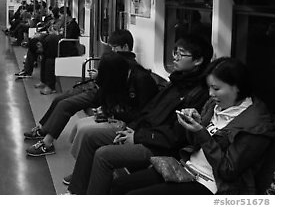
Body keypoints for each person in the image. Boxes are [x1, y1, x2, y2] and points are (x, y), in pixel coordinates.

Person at [67, 34, 213, 194]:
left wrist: (137, 137)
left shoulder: (198, 94)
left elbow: (175, 136)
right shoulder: (176, 82)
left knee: (103, 155)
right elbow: (148, 110)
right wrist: (131, 129)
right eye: (175, 53)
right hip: (144, 133)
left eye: (181, 54)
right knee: (90, 138)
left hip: (158, 146)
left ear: (198, 60)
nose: (176, 58)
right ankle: (76, 192)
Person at [111, 58, 274, 195]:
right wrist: (194, 124)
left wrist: (202, 132)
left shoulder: (256, 126)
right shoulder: (214, 105)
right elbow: (193, 144)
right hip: (187, 169)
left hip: (212, 185)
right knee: (120, 185)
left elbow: (228, 170)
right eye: (209, 87)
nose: (210, 94)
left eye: (216, 88)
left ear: (237, 87)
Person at [24, 30, 157, 157]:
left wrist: (99, 77)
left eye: (115, 47)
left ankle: (47, 142)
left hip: (99, 93)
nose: (112, 50)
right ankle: (42, 128)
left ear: (125, 46)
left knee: (65, 104)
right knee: (59, 99)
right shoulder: (118, 60)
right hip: (96, 89)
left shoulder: (126, 65)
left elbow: (111, 85)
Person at [36, 6, 81, 95]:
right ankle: (44, 81)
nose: (59, 18)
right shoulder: (66, 24)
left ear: (66, 15)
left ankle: (51, 86)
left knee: (50, 59)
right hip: (62, 46)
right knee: (46, 57)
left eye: (60, 16)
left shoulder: (73, 25)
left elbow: (68, 38)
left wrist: (57, 33)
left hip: (69, 48)